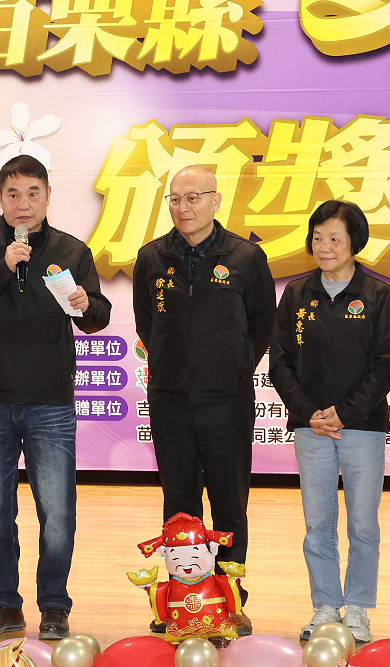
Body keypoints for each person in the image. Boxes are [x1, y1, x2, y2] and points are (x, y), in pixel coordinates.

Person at [0, 154, 111, 639]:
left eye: (33, 193)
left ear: (47, 196)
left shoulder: (72, 250)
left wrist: (86, 304)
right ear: (0, 198)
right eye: (13, 194)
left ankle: (55, 606)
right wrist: (3, 269)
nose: (23, 204)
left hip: (50, 402)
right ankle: (4, 604)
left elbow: (97, 316)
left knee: (57, 514)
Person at [133, 164, 275, 636]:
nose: (184, 207)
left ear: (216, 201)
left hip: (226, 402)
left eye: (194, 198)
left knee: (229, 505)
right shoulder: (152, 257)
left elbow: (262, 324)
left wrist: (233, 366)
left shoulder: (245, 256)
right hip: (169, 401)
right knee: (179, 505)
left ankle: (230, 602)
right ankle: (183, 601)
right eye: (175, 199)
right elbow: (146, 323)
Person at [269, 200, 390, 642]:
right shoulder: (296, 294)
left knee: (363, 523)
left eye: (334, 238)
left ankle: (358, 608)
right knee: (317, 523)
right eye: (317, 237)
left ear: (354, 242)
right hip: (310, 427)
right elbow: (280, 361)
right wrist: (309, 412)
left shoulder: (378, 295)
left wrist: (344, 413)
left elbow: (386, 363)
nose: (324, 246)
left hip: (361, 427)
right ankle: (325, 606)